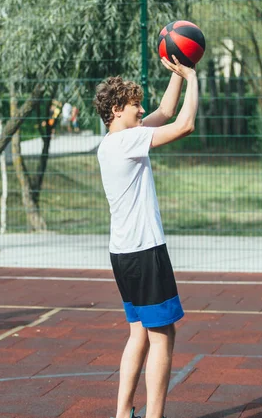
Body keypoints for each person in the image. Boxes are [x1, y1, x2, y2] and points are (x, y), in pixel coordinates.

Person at [93, 55, 198, 418]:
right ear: (118, 109)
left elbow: (166, 111)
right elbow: (184, 124)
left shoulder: (111, 142)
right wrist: (194, 77)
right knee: (163, 336)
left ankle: (123, 414)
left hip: (123, 254)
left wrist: (177, 74)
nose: (142, 110)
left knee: (139, 333)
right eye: (136, 105)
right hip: (144, 252)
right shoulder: (127, 143)